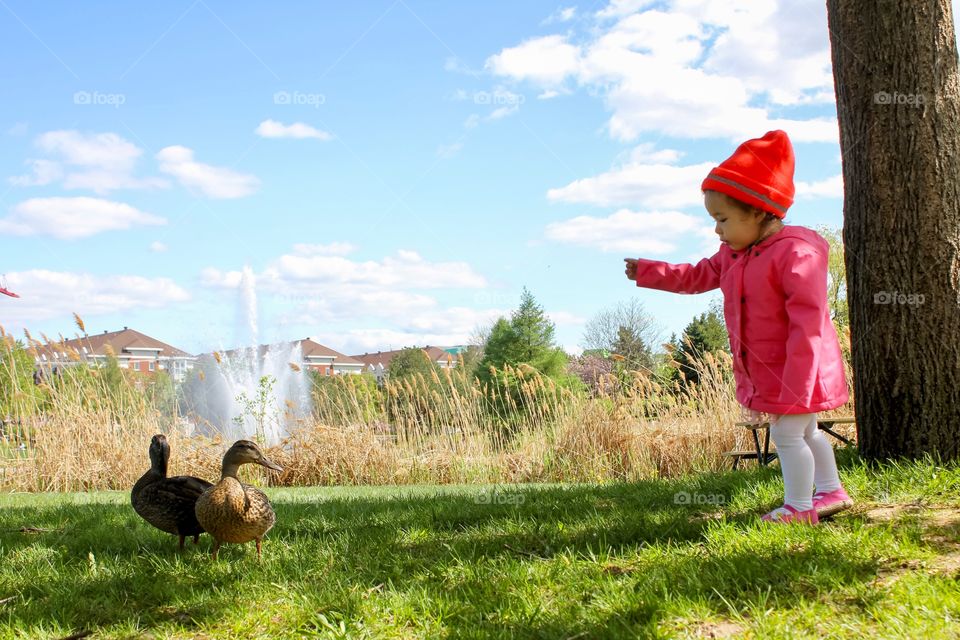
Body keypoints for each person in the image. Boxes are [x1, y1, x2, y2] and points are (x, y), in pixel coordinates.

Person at [624, 130, 852, 524]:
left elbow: (808, 326)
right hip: (775, 372)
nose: (717, 230)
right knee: (808, 432)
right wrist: (650, 271)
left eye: (723, 219)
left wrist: (794, 389)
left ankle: (799, 508)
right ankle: (831, 492)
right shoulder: (733, 255)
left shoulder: (797, 253)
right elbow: (695, 276)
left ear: (760, 212)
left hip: (801, 371)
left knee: (788, 436)